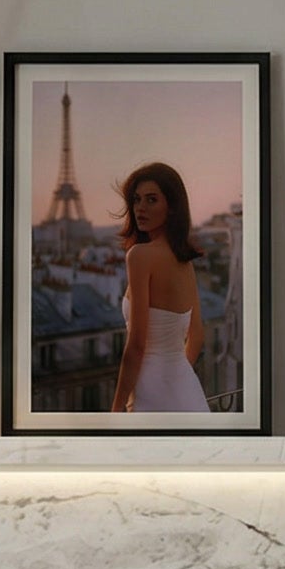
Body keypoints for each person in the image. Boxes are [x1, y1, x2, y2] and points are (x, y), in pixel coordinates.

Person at [111, 161, 209, 415]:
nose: (140, 208)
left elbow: (136, 345)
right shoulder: (184, 262)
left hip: (151, 391)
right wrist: (174, 378)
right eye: (137, 200)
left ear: (172, 206)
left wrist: (116, 408)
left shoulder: (140, 256)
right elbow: (196, 335)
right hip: (187, 389)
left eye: (152, 200)